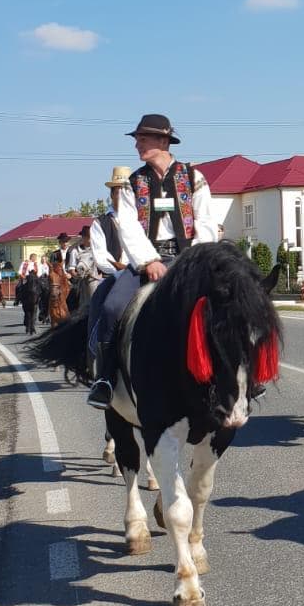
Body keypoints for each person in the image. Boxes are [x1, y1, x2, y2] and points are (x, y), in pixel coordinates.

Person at [85, 117, 217, 408]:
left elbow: (206, 221)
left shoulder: (194, 177)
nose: (137, 144)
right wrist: (149, 261)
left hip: (189, 258)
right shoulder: (135, 182)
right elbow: (128, 226)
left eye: (142, 139)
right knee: (112, 306)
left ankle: (236, 376)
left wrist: (191, 260)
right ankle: (105, 378)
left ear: (163, 141)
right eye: (138, 139)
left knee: (227, 302)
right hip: (147, 259)